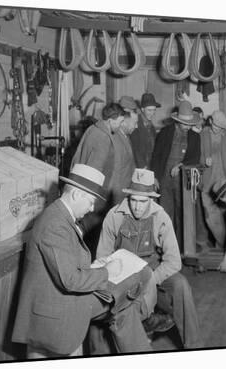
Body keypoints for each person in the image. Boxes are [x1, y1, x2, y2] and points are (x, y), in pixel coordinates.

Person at [12, 164, 152, 357]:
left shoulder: (60, 216)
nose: (92, 208)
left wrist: (94, 267)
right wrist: (107, 271)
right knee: (124, 296)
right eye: (91, 201)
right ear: (77, 195)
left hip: (61, 298)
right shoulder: (55, 224)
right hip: (56, 309)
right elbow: (70, 280)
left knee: (121, 304)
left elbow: (67, 264)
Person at [97, 168, 202, 349]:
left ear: (151, 199)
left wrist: (152, 279)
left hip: (153, 271)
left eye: (143, 201)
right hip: (123, 275)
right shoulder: (114, 216)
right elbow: (102, 258)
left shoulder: (160, 217)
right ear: (128, 196)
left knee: (181, 286)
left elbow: (174, 260)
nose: (137, 206)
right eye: (133, 200)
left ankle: (193, 345)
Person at [70, 103, 127, 249]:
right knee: (94, 237)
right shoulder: (104, 138)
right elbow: (95, 171)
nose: (120, 126)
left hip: (81, 188)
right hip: (95, 195)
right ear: (111, 120)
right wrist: (94, 201)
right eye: (120, 122)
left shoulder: (93, 129)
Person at [151, 100, 201, 245]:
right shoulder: (165, 133)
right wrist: (155, 177)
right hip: (164, 180)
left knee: (182, 214)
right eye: (184, 124)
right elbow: (156, 155)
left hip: (183, 182)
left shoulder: (195, 137)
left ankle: (180, 246)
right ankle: (165, 245)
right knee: (165, 213)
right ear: (177, 121)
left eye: (189, 124)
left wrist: (181, 165)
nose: (187, 127)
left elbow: (195, 158)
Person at [199, 110, 226, 249]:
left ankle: (224, 245)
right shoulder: (202, 134)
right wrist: (204, 161)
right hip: (208, 181)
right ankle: (224, 244)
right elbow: (196, 156)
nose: (218, 130)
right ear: (210, 121)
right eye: (216, 126)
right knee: (209, 215)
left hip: (224, 181)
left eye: (221, 128)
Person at [130, 93, 160, 169]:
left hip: (149, 164)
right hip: (140, 166)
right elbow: (135, 149)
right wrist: (142, 166)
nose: (152, 113)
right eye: (149, 110)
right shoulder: (136, 124)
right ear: (142, 109)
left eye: (154, 110)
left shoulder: (151, 126)